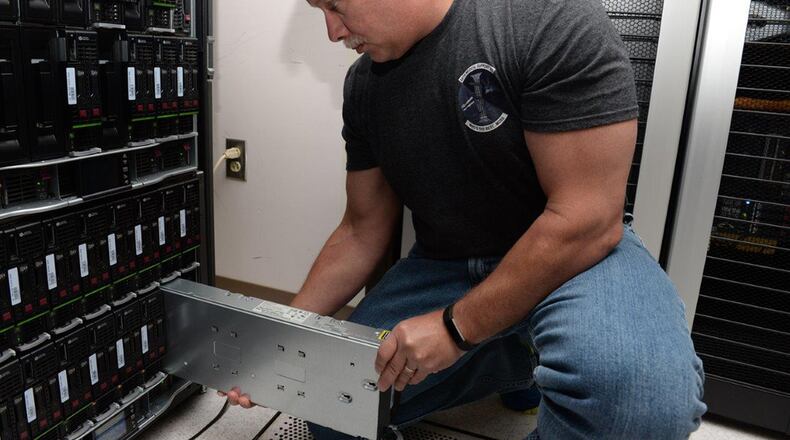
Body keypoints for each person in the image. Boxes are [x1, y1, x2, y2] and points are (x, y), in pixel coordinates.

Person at [226, 0, 707, 438]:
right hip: (448, 263)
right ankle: (514, 356)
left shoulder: (547, 20)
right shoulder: (364, 87)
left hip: (574, 257)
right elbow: (360, 230)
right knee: (332, 401)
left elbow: (587, 218)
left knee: (636, 407)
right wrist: (282, 335)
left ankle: (520, 348)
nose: (332, 32)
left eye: (335, 6)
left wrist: (455, 329)